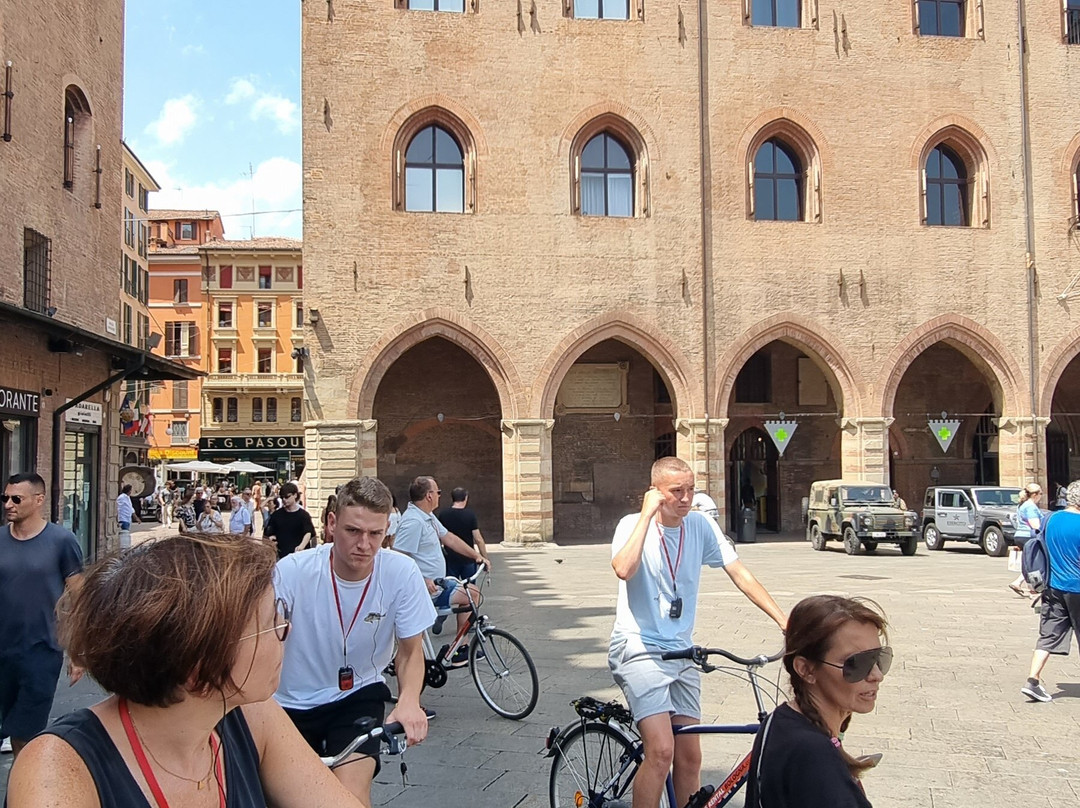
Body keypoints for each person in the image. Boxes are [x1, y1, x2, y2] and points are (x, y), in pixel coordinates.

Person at [7, 533, 367, 808]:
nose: (286, 631)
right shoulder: (57, 769)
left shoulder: (252, 716)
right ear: (199, 666)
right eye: (273, 621)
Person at [609, 456, 787, 808]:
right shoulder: (632, 524)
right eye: (677, 491)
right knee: (661, 751)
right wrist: (646, 516)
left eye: (691, 490)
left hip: (682, 651)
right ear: (654, 492)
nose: (686, 499)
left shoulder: (701, 526)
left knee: (690, 758)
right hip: (638, 648)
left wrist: (783, 619)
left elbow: (739, 573)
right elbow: (623, 569)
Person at [274, 477, 434, 805]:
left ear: (387, 529)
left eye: (375, 534)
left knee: (350, 797)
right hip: (287, 703)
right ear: (332, 523)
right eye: (353, 531)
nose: (364, 544)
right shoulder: (292, 571)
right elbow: (260, 637)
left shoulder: (402, 573)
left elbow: (410, 651)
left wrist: (408, 700)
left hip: (357, 696)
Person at [746, 595, 889, 808]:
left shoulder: (781, 719)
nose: (876, 675)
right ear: (806, 669)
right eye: (857, 663)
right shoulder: (814, 756)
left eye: (879, 658)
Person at [0, 472, 84, 761]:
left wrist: (76, 651)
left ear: (39, 500)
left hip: (40, 652)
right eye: (5, 498)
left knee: (26, 738)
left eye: (16, 499)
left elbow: (78, 597)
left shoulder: (62, 541)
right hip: (1, 650)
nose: (8, 504)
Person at [394, 476, 487, 664]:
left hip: (438, 586)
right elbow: (398, 556)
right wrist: (422, 579)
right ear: (429, 496)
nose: (439, 496)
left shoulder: (427, 517)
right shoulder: (413, 521)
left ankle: (461, 647)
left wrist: (476, 556)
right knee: (414, 650)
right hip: (422, 591)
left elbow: (449, 538)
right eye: (438, 492)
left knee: (473, 593)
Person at [1021, 479, 1080, 702]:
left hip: (1054, 587)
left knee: (1048, 635)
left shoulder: (1051, 519)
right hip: (1077, 586)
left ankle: (1032, 681)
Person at [436, 486, 493, 582]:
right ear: (465, 498)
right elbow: (478, 539)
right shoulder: (470, 515)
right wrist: (484, 558)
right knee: (469, 589)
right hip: (468, 558)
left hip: (450, 559)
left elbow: (438, 537)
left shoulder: (443, 514)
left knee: (450, 588)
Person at [264, 481, 316, 559]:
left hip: (300, 556)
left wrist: (301, 546)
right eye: (282, 498)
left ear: (295, 495)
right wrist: (271, 540)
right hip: (282, 556)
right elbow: (269, 533)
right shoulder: (276, 515)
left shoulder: (303, 515)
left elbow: (308, 532)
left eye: (287, 497)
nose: (284, 500)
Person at [1010, 483, 1043, 598]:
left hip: (1020, 535)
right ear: (1035, 495)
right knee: (1035, 562)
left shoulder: (1022, 505)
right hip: (1029, 536)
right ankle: (1036, 588)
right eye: (1041, 494)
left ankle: (1019, 583)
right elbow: (1035, 525)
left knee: (1028, 562)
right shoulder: (1030, 507)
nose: (1041, 496)